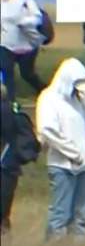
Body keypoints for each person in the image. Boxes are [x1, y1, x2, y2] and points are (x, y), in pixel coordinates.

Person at [36, 59, 85, 239]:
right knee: (60, 213)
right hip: (62, 165)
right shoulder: (49, 98)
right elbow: (48, 130)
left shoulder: (81, 99)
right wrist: (73, 153)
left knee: (81, 216)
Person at [1, 68, 41, 235]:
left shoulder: (6, 111)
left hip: (6, 166)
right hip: (8, 167)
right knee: (3, 214)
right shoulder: (12, 110)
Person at [1, 0, 48, 94]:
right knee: (7, 72)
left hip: (27, 45)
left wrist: (24, 22)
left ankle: (46, 92)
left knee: (27, 74)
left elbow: (38, 18)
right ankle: (10, 101)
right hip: (6, 45)